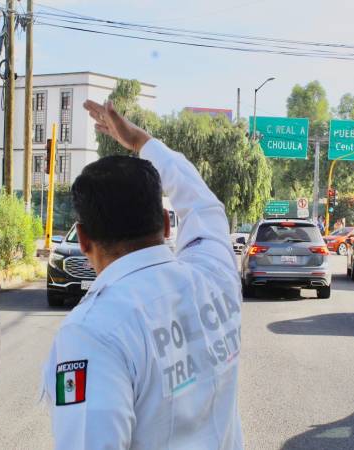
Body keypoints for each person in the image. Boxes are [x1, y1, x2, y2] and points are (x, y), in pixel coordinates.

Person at [40, 100, 243, 450]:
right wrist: (141, 143)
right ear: (165, 225)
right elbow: (203, 205)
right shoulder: (214, 275)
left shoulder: (92, 332)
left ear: (84, 239)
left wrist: (141, 145)